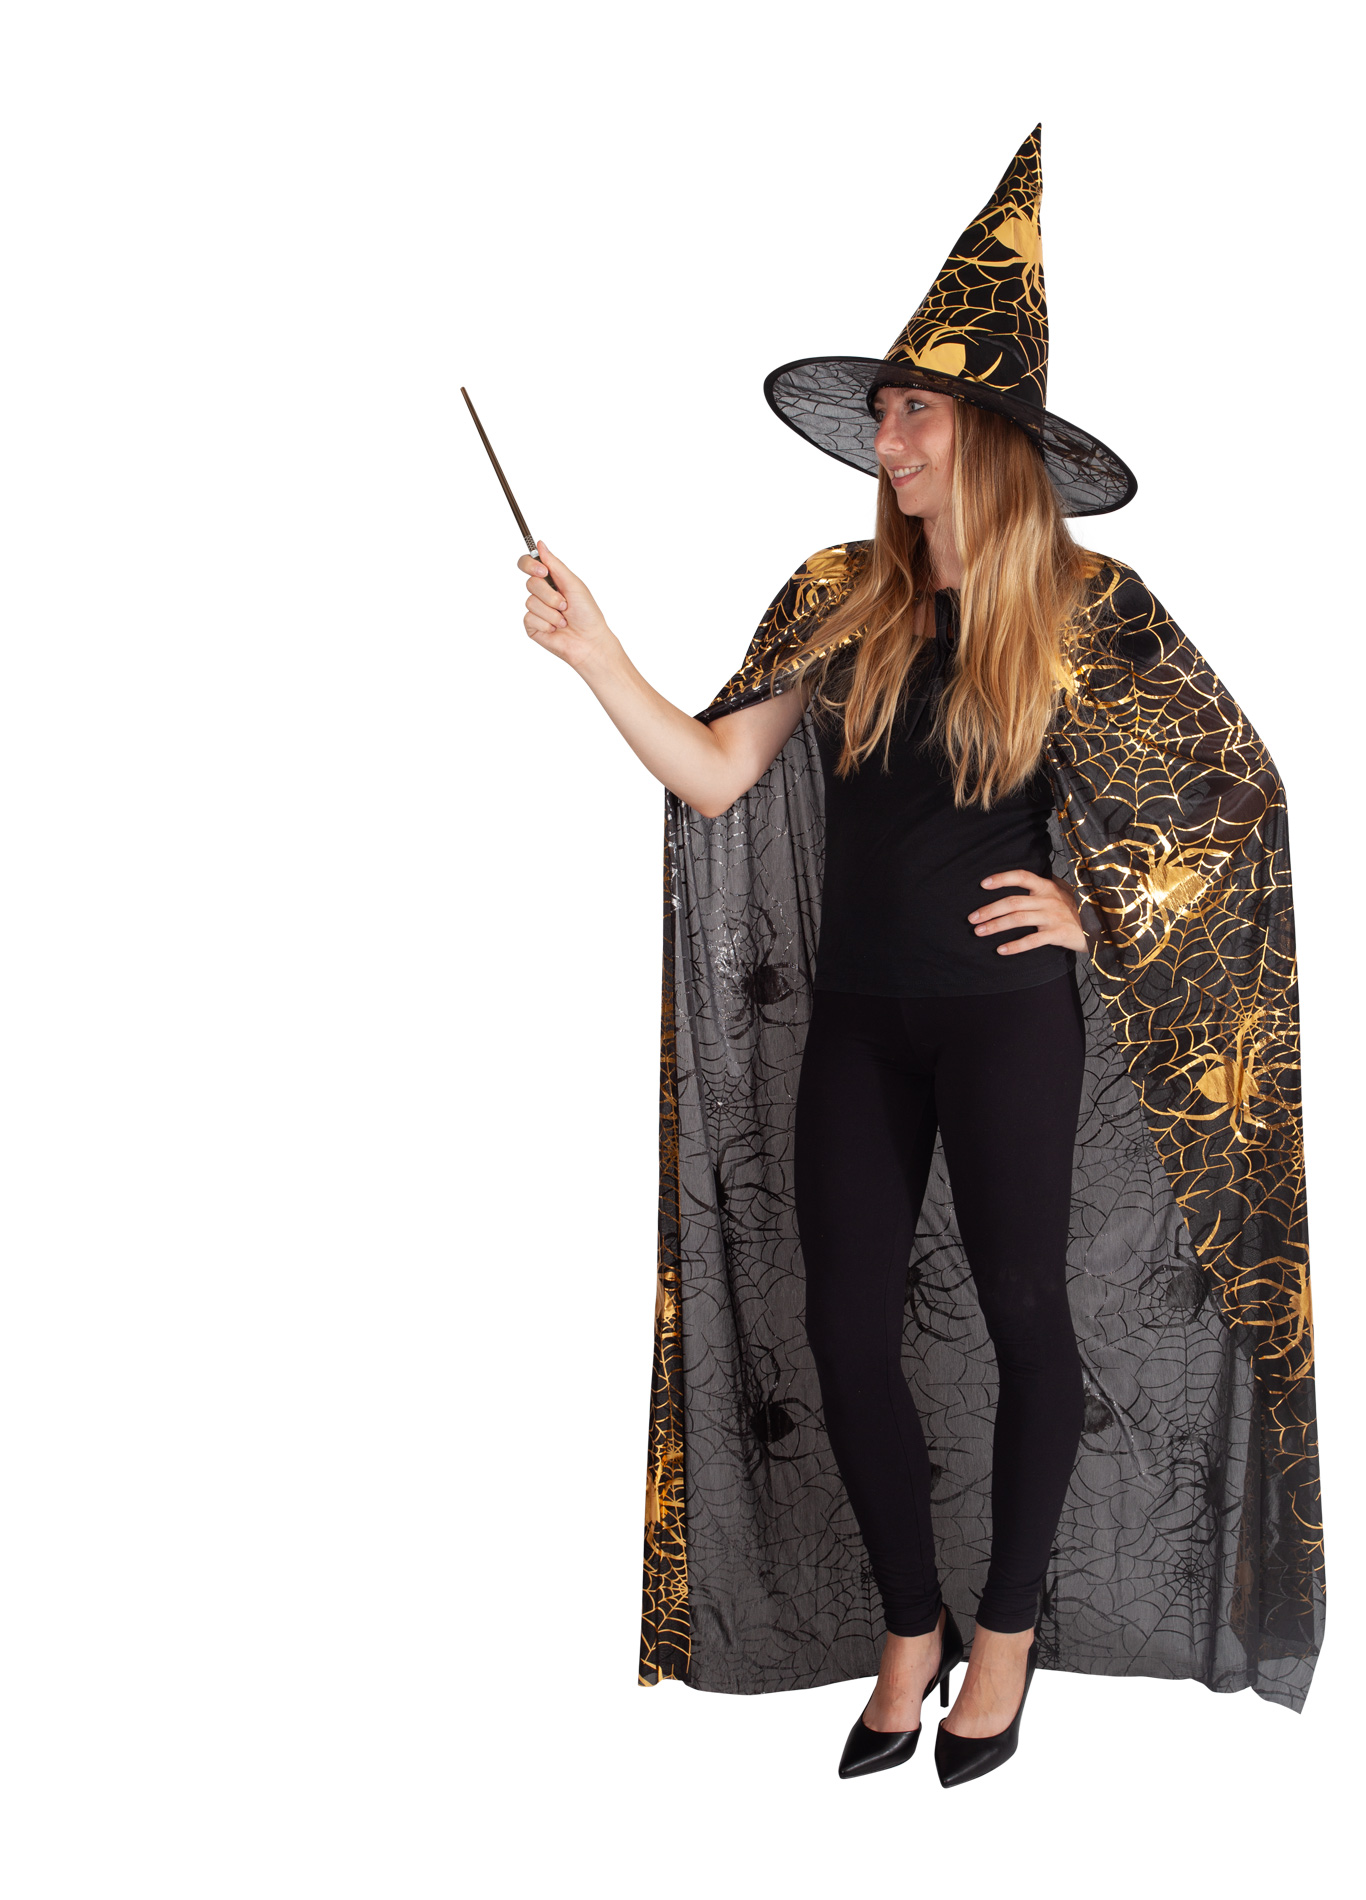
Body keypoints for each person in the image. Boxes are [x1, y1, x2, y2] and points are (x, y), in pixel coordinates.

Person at [511, 128, 1323, 1786]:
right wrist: (597, 654)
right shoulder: (842, 596)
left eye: (913, 415)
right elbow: (717, 772)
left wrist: (1100, 911)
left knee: (1026, 1314)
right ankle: (908, 1625)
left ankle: (1003, 1638)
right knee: (844, 1331)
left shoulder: (1090, 605)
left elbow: (1242, 796)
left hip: (1009, 1018)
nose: (886, 442)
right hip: (860, 1022)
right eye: (882, 415)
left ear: (990, 439)